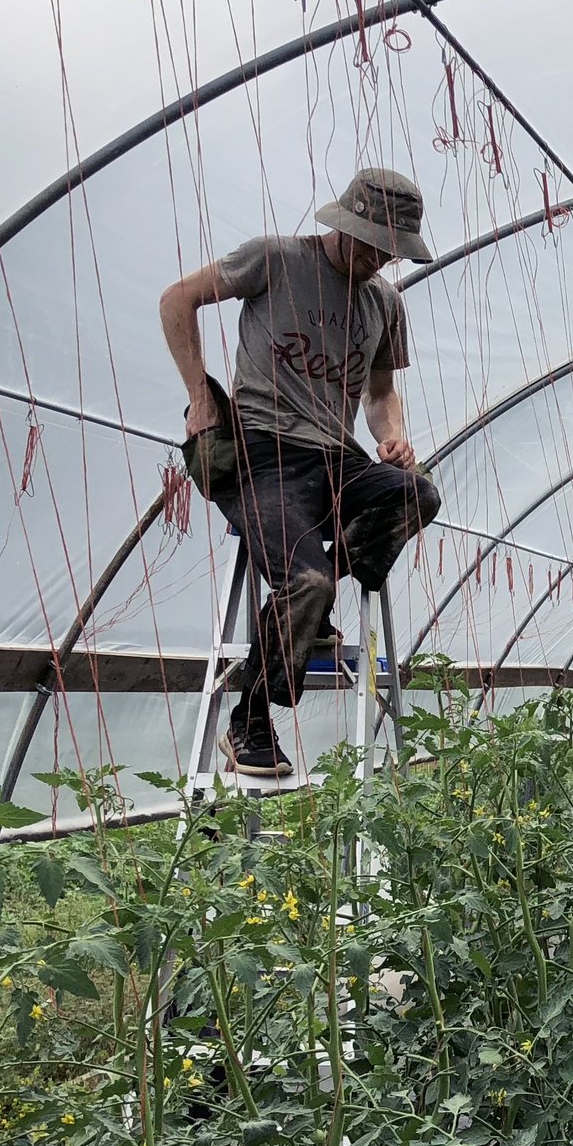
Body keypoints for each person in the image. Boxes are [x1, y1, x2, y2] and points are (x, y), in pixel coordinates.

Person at [159, 168, 443, 779]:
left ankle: (308, 605)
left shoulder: (383, 304)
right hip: (266, 452)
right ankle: (250, 720)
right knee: (307, 580)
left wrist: (392, 438)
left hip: (338, 456)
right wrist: (201, 398)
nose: (376, 260)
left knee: (417, 494)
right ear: (343, 222)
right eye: (368, 243)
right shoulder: (275, 260)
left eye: (388, 252)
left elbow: (381, 393)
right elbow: (175, 299)